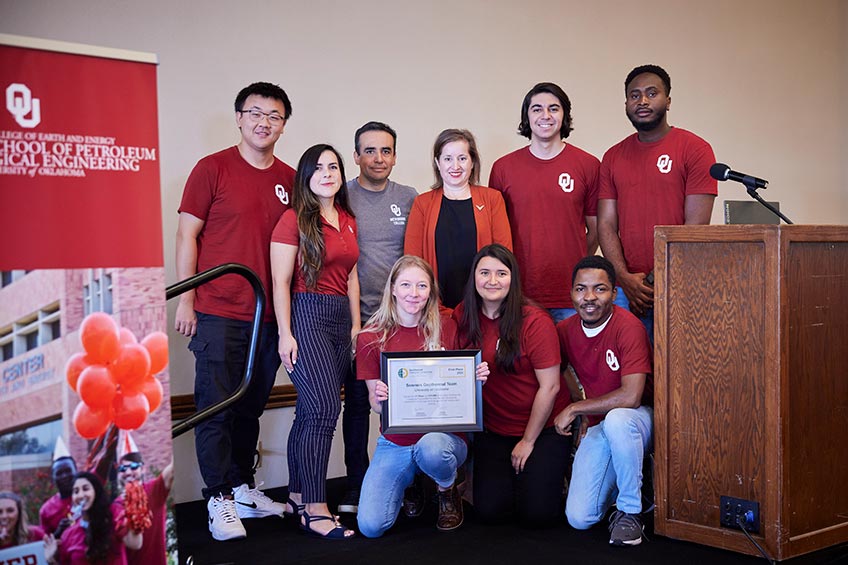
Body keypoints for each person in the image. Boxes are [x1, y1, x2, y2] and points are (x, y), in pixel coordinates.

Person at [175, 81, 292, 540]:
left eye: (274, 116)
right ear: (240, 118)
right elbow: (188, 235)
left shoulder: (288, 178)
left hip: (268, 316)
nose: (264, 122)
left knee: (250, 408)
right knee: (215, 408)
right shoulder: (212, 168)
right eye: (255, 113)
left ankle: (243, 487)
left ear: (284, 124)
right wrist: (187, 298)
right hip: (220, 311)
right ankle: (218, 498)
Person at [355, 256, 489, 537]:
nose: (413, 294)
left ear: (431, 291)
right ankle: (413, 480)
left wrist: (475, 377)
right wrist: (379, 397)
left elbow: (463, 382)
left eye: (421, 286)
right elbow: (375, 406)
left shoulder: (448, 325)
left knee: (430, 448)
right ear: (392, 288)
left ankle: (446, 487)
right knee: (371, 526)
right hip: (396, 442)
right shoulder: (370, 337)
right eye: (405, 285)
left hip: (443, 439)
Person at [271, 144, 360, 539]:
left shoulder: (347, 219)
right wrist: (284, 333)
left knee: (309, 412)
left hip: (341, 318)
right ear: (306, 175)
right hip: (306, 314)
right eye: (319, 167)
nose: (328, 173)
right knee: (324, 409)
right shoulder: (292, 220)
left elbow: (352, 275)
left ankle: (294, 495)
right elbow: (281, 282)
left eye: (334, 166)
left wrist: (357, 326)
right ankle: (315, 507)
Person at [454, 244, 571, 526]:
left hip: (542, 428)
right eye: (484, 273)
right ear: (474, 277)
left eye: (501, 273)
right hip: (494, 429)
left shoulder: (534, 321)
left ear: (513, 278)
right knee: (491, 512)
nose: (492, 281)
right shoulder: (462, 316)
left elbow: (551, 387)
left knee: (539, 514)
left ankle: (559, 473)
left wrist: (527, 442)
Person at [598, 64, 717, 337]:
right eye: (634, 95)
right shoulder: (613, 156)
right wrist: (624, 278)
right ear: (626, 103)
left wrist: (654, 281)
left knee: (676, 372)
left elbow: (695, 225)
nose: (642, 101)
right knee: (633, 373)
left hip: (679, 284)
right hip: (628, 292)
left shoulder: (695, 149)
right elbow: (605, 224)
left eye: (652, 93)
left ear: (668, 101)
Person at [339, 122, 418, 514]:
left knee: (408, 407)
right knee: (357, 407)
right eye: (369, 151)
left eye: (385, 151)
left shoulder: (408, 197)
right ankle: (356, 485)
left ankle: (411, 491)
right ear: (355, 156)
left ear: (395, 156)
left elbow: (418, 259)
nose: (378, 158)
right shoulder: (341, 196)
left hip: (403, 321)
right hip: (356, 322)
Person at [553, 255, 653, 547]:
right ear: (571, 293)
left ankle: (631, 512)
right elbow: (558, 368)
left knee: (618, 419)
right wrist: (578, 400)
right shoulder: (565, 330)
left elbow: (631, 396)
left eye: (600, 289)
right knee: (579, 518)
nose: (589, 297)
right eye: (581, 289)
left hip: (642, 419)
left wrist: (576, 408)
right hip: (604, 424)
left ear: (614, 293)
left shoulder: (628, 327)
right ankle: (637, 484)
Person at [489, 82, 600, 322]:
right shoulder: (503, 168)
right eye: (537, 109)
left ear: (565, 115)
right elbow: (496, 234)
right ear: (527, 117)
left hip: (571, 295)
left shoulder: (588, 165)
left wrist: (574, 257)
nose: (546, 115)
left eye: (554, 108)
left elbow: (596, 230)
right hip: (519, 294)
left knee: (572, 360)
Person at [404, 129, 512, 310]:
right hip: (434, 306)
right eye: (448, 159)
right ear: (438, 163)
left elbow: (504, 255)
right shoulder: (422, 203)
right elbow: (412, 261)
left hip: (483, 305)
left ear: (472, 162)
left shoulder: (492, 199)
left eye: (462, 158)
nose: (455, 166)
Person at [43, 472, 143, 565]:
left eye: (85, 489)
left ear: (96, 491)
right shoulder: (68, 535)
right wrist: (52, 559)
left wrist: (134, 509)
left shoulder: (113, 515)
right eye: (76, 491)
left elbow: (135, 544)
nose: (81, 495)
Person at [114, 433, 174, 565]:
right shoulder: (115, 506)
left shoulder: (154, 490)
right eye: (123, 468)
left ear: (143, 469)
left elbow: (173, 470)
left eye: (134, 466)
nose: (129, 472)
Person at [39, 439, 76, 536]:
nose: (64, 476)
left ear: (76, 471)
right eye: (59, 473)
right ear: (53, 478)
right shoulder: (46, 510)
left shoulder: (87, 496)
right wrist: (59, 532)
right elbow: (45, 545)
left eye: (68, 470)